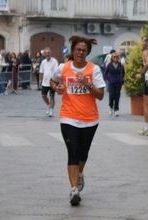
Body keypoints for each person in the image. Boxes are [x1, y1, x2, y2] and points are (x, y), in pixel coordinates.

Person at [49, 35, 106, 206]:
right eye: (78, 49)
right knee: (73, 151)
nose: (81, 53)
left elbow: (101, 95)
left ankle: (79, 174)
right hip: (68, 117)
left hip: (89, 118)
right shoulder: (63, 68)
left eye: (84, 50)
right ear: (72, 51)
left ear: (87, 52)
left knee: (83, 153)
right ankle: (74, 190)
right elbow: (52, 81)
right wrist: (56, 87)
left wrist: (87, 84)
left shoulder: (93, 70)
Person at [39, 47, 58, 117]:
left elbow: (56, 71)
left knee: (52, 97)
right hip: (45, 82)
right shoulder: (43, 62)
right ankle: (48, 105)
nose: (47, 54)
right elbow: (42, 72)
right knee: (43, 96)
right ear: (44, 54)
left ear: (51, 53)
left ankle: (51, 110)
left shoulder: (54, 61)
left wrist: (56, 81)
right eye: (46, 53)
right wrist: (41, 80)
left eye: (49, 53)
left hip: (52, 82)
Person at [104, 52, 125, 116]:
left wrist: (120, 78)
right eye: (114, 57)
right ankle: (111, 107)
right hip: (111, 83)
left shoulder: (120, 65)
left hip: (118, 83)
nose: (115, 58)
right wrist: (109, 79)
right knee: (112, 95)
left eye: (116, 57)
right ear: (112, 58)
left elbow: (123, 73)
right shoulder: (109, 65)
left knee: (117, 96)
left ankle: (116, 110)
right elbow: (105, 74)